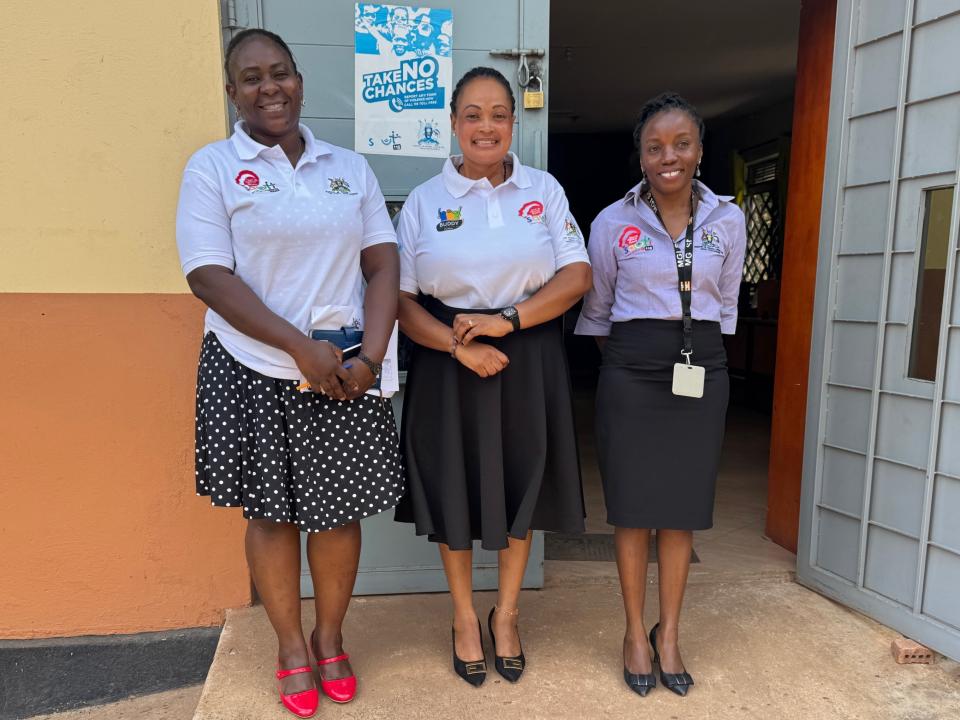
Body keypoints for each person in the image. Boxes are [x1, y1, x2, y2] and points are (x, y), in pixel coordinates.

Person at [175, 29, 404, 718]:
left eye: (280, 73)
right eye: (251, 77)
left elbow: (383, 263)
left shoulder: (349, 167)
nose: (268, 87)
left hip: (345, 369)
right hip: (252, 367)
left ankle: (330, 637)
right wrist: (298, 347)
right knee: (272, 515)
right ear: (231, 91)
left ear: (301, 80)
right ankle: (289, 647)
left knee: (337, 517)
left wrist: (369, 353)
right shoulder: (213, 167)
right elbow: (208, 275)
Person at [394, 67, 592, 687]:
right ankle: (462, 618)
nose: (487, 126)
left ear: (513, 123)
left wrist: (507, 322)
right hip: (446, 353)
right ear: (454, 123)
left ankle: (505, 615)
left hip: (525, 350)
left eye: (499, 114)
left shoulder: (543, 189)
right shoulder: (426, 201)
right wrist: (459, 349)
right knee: (453, 486)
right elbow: (400, 302)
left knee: (520, 484)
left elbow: (576, 275)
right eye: (473, 114)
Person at [575, 92, 746, 697]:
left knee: (681, 511)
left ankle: (669, 632)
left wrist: (694, 358)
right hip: (629, 372)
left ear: (700, 151)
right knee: (632, 509)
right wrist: (630, 365)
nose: (667, 156)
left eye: (680, 144)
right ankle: (633, 633)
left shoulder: (729, 219)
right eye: (654, 146)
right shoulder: (611, 222)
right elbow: (596, 314)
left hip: (703, 370)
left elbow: (724, 309)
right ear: (640, 156)